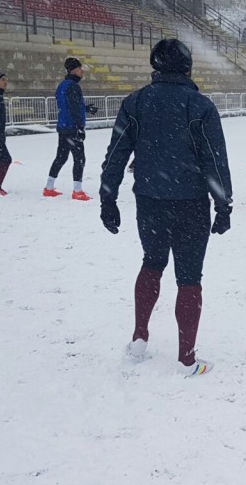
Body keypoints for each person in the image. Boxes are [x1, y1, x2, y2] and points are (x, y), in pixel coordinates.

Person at [99, 39, 232, 377]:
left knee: (152, 263)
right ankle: (187, 359)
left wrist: (107, 196)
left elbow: (116, 154)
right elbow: (214, 160)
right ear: (187, 66)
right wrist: (223, 204)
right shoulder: (200, 106)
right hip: (191, 203)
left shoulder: (136, 102)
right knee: (189, 278)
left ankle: (139, 339)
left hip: (150, 200)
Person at [44, 57, 98, 201]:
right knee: (79, 158)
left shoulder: (62, 85)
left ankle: (49, 187)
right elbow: (74, 108)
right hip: (72, 127)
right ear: (74, 70)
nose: (82, 71)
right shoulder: (73, 86)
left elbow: (68, 106)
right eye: (80, 68)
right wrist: (80, 127)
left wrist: (85, 108)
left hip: (63, 126)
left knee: (61, 157)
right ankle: (77, 190)